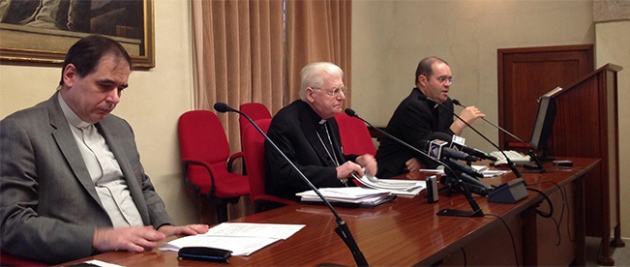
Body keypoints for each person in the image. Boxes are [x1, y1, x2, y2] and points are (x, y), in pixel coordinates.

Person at [0, 35, 208, 264]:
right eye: (105, 86)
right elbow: (11, 224)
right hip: (89, 258)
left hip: (147, 254)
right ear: (70, 75)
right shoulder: (22, 130)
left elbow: (143, 187)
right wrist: (98, 237)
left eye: (121, 89)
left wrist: (165, 228)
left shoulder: (120, 128)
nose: (115, 98)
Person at [265, 62, 378, 201]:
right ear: (310, 94)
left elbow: (330, 161)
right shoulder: (286, 123)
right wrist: (335, 173)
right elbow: (284, 174)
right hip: (301, 204)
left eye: (343, 90)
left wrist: (357, 160)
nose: (342, 96)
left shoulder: (328, 119)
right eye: (333, 91)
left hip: (335, 196)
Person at [375, 56, 485, 179]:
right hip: (396, 174)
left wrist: (423, 159)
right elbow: (433, 152)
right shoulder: (412, 106)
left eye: (449, 79)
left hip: (423, 171)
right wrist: (459, 123)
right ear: (423, 80)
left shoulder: (446, 104)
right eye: (442, 79)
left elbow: (442, 148)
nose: (448, 84)